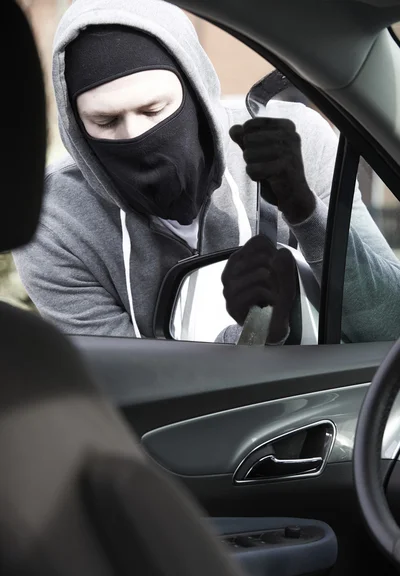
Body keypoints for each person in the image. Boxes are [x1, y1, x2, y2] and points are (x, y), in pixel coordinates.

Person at [13, 0, 400, 343]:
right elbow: (126, 393)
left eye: (153, 110)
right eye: (105, 120)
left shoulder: (295, 144)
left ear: (194, 92)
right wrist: (259, 332)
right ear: (76, 128)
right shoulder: (56, 222)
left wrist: (304, 211)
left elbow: (389, 325)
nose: (135, 136)